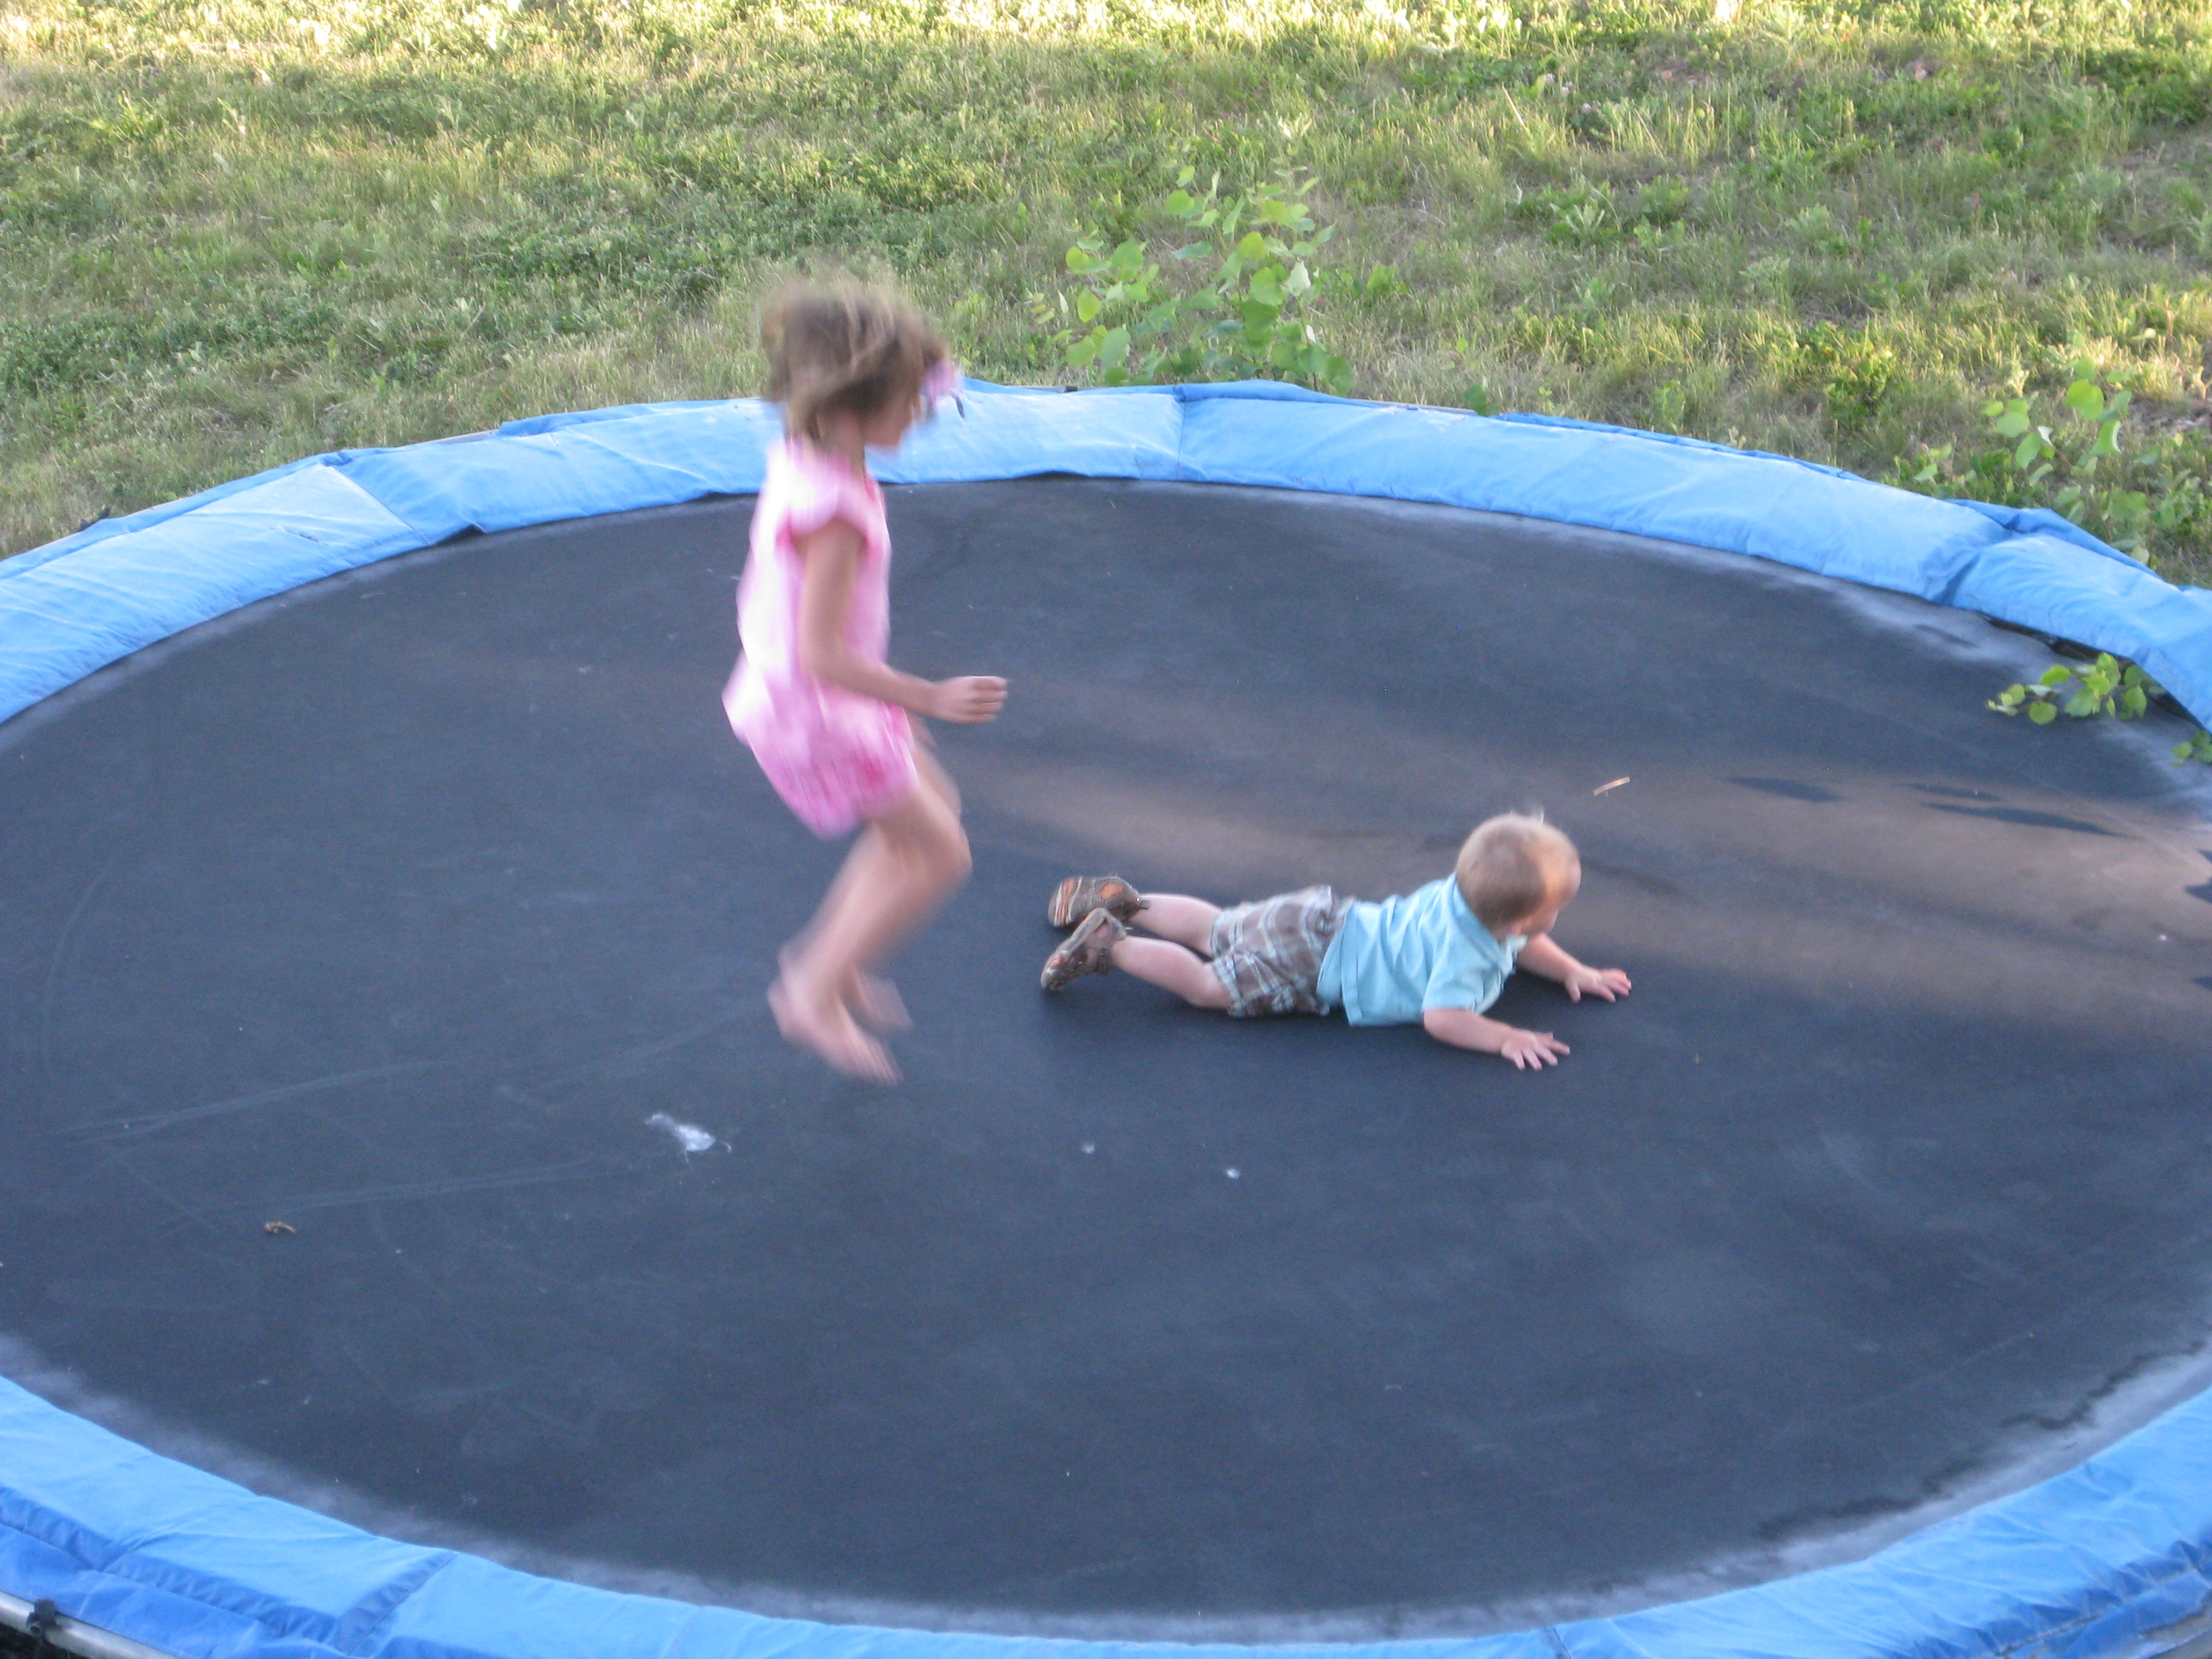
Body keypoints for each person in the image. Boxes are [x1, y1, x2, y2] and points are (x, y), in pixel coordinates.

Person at [724, 285, 1006, 1082]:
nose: (920, 413)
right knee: (943, 854)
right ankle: (810, 993)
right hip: (816, 710)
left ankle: (838, 959)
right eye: (908, 400)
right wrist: (928, 698)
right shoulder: (836, 514)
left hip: (822, 698)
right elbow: (820, 653)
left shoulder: (811, 453)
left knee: (920, 821)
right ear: (848, 406)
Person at [1038, 815, 1629, 1069]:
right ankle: (1112, 946)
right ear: (1521, 920)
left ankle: (1127, 901)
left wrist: (1574, 970)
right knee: (1208, 985)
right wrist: (1503, 1038)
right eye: (1558, 907)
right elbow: (1443, 1017)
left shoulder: (1464, 895)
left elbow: (1525, 947)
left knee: (1214, 927)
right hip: (1313, 966)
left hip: (1322, 916)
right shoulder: (1466, 953)